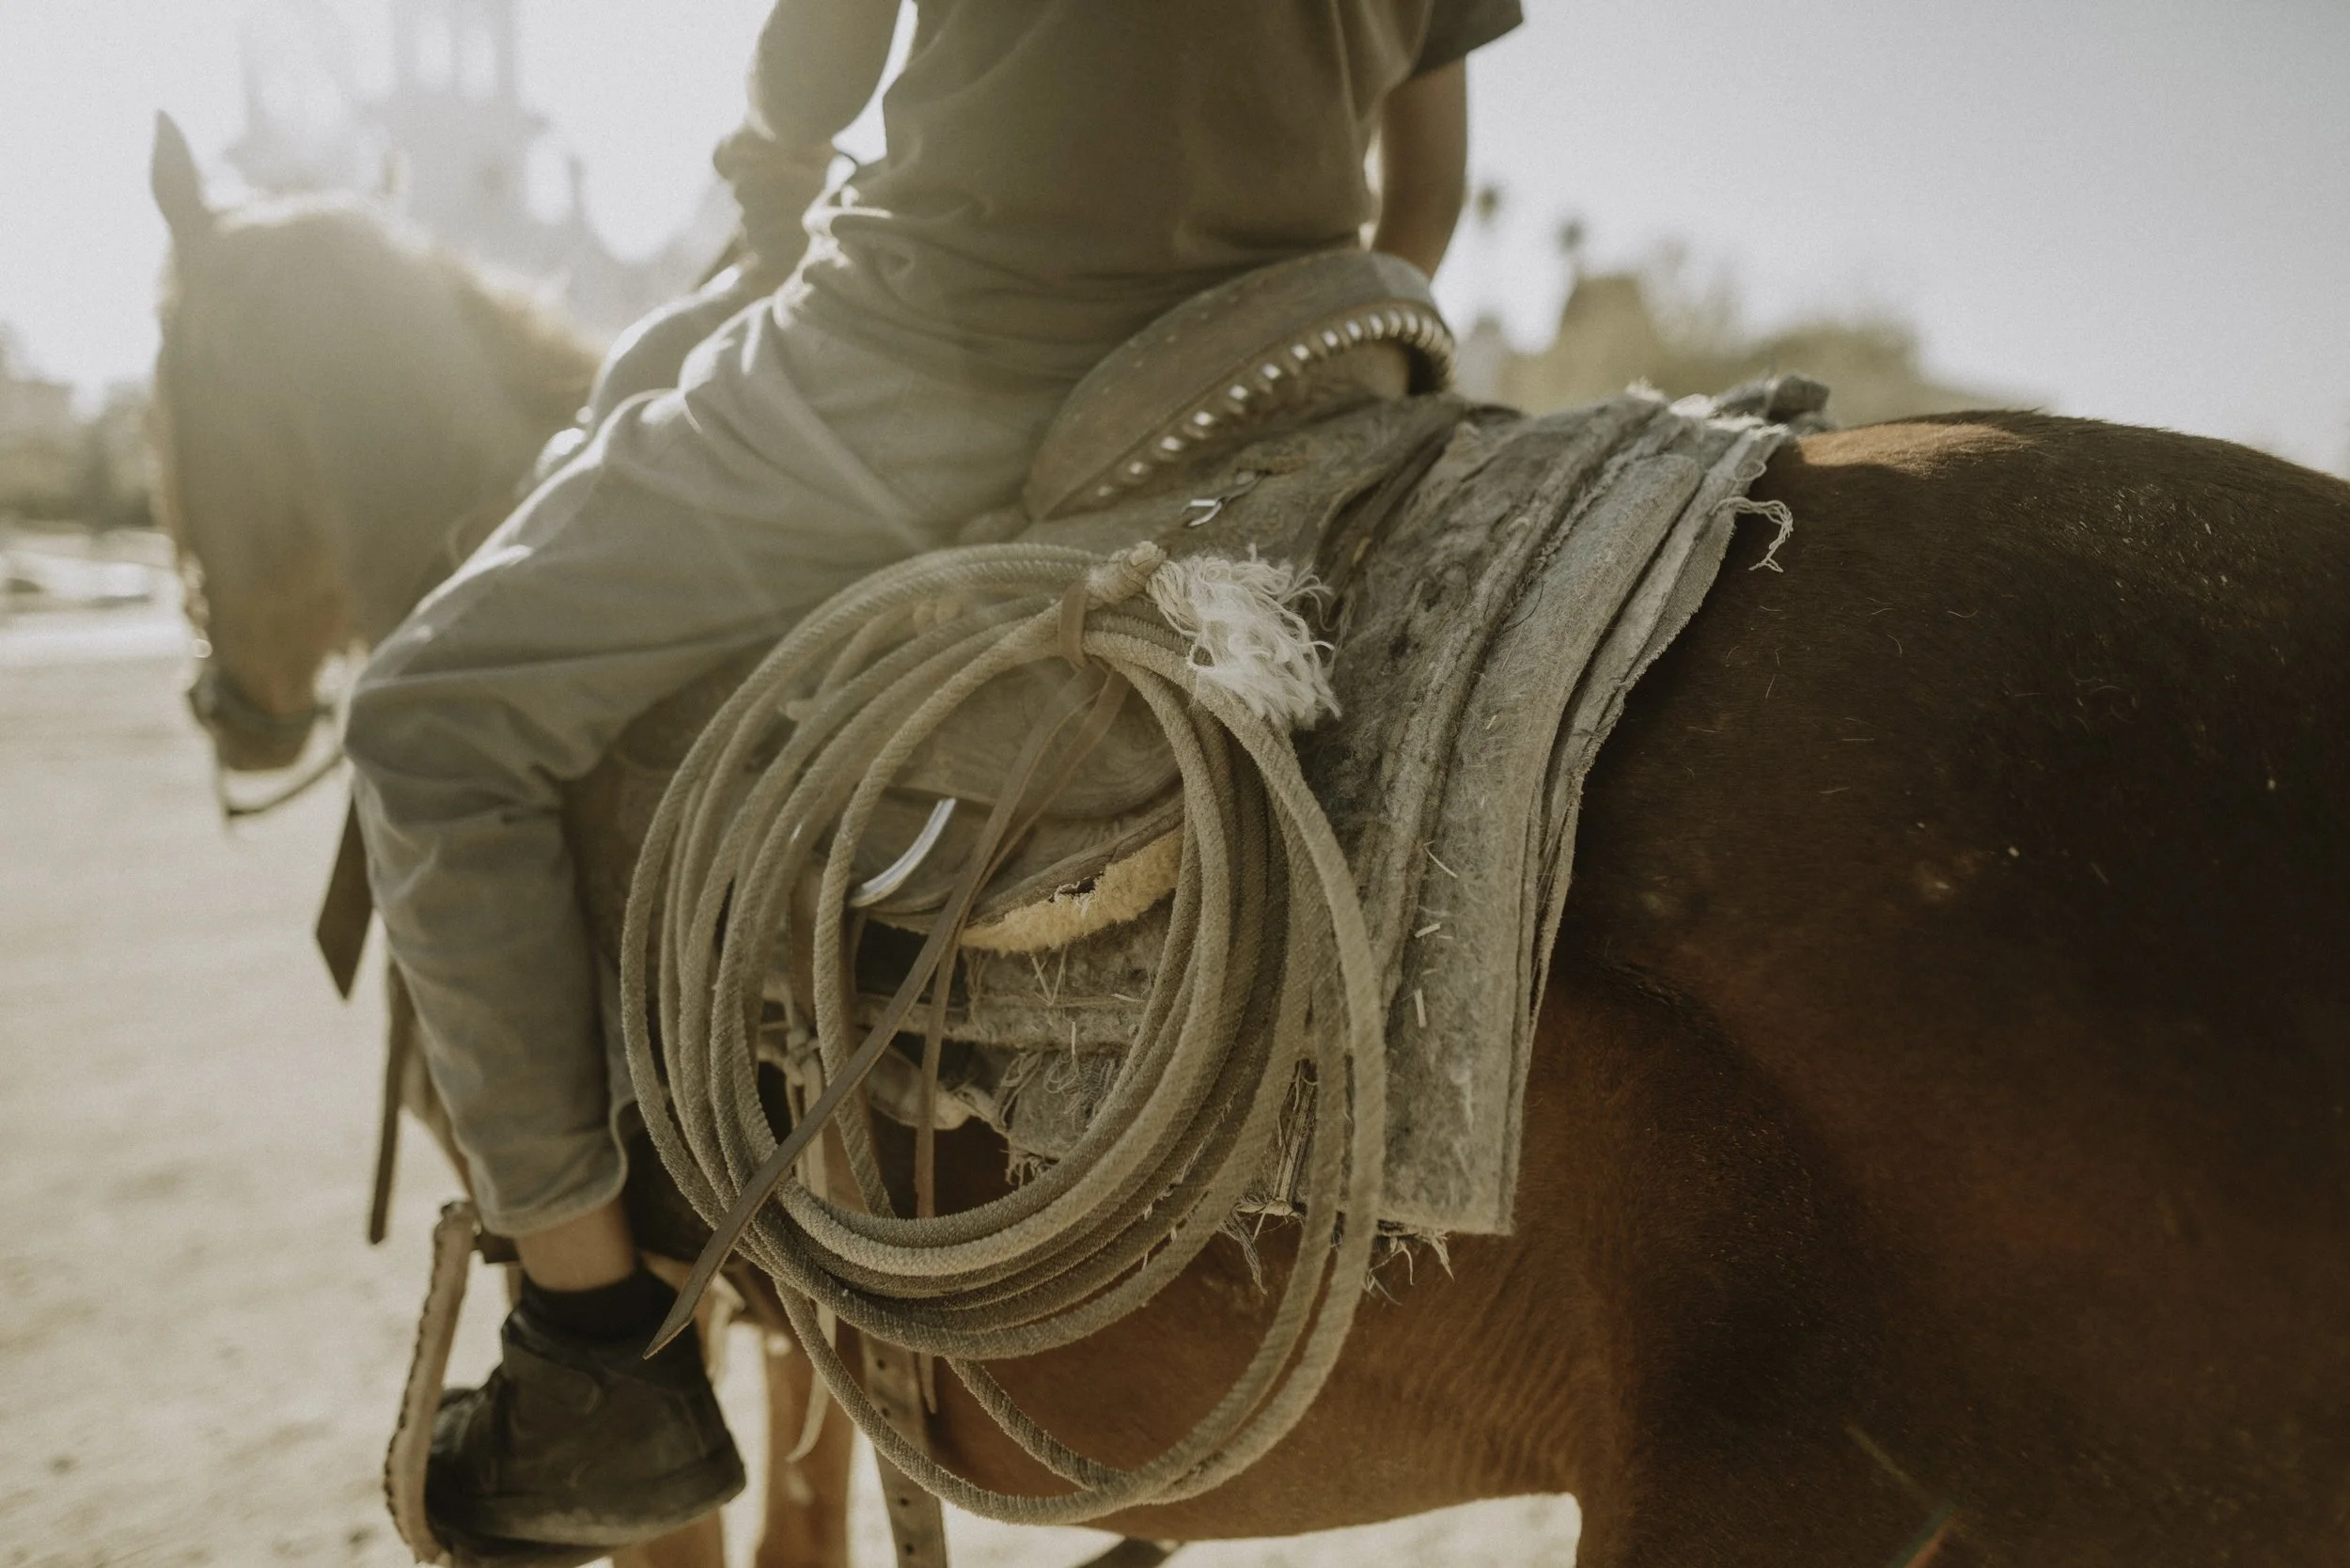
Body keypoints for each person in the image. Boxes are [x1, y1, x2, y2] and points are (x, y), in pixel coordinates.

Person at [344, 0, 1522, 1555]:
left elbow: (816, 63)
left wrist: (772, 159)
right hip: (1302, 362)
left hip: (940, 343)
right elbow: (1421, 181)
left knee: (429, 714)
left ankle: (588, 1366)